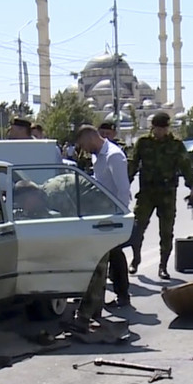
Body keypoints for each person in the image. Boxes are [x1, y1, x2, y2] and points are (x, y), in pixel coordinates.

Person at [64, 125, 132, 333]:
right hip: (100, 215)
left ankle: (87, 314)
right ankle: (95, 310)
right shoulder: (98, 157)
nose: (84, 150)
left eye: (84, 145)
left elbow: (123, 190)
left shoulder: (114, 156)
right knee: (103, 263)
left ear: (91, 137)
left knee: (99, 266)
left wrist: (119, 220)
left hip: (111, 218)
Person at [128, 112, 193, 279]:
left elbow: (186, 166)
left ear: (168, 128)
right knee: (137, 228)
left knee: (166, 232)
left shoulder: (176, 145)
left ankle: (163, 266)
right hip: (146, 193)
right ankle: (136, 259)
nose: (161, 132)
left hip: (167, 194)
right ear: (153, 128)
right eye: (158, 129)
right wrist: (125, 185)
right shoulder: (143, 143)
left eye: (164, 128)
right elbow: (133, 164)